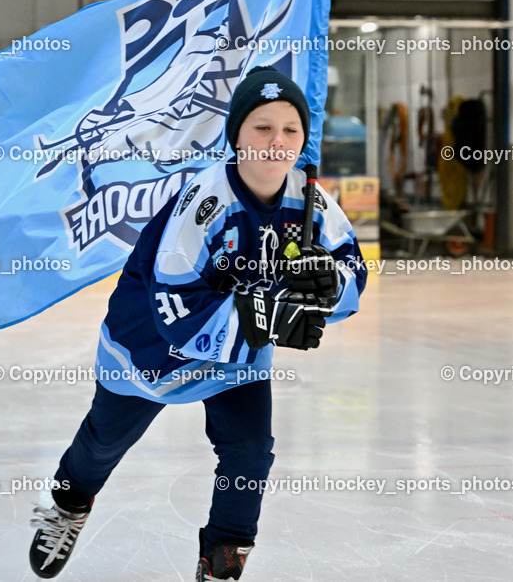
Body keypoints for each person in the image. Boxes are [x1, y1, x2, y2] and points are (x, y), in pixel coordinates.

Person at [28, 66, 368, 580]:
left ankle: (222, 564)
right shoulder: (206, 200)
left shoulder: (310, 200)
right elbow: (175, 310)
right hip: (147, 350)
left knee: (250, 455)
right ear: (236, 135)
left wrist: (331, 284)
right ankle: (70, 504)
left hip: (236, 355)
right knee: (101, 444)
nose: (278, 141)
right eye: (262, 127)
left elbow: (353, 271)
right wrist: (266, 318)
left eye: (290, 130)